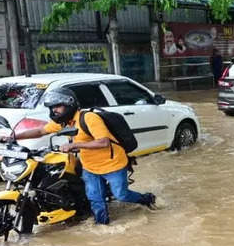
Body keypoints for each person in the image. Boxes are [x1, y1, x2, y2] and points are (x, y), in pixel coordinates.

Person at [9, 90, 156, 224]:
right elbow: (41, 131)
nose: (54, 110)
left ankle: (146, 199)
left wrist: (75, 145)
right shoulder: (65, 123)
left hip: (112, 164)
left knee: (121, 195)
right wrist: (14, 136)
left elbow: (103, 142)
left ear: (69, 105)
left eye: (58, 106)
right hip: (90, 167)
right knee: (95, 199)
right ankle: (102, 225)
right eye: (52, 107)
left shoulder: (89, 118)